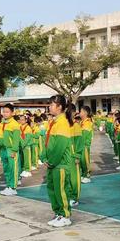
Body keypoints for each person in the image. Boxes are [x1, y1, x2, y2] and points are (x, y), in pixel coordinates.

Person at [45, 95, 73, 228]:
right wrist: (45, 157)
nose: (50, 107)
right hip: (53, 163)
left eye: (52, 105)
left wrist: (52, 161)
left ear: (59, 106)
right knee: (52, 189)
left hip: (60, 163)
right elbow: (49, 143)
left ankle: (65, 215)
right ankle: (58, 213)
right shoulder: (54, 122)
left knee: (61, 190)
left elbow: (60, 147)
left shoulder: (62, 123)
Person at [0, 104, 21, 196]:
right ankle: (8, 185)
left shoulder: (15, 124)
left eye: (7, 112)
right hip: (3, 149)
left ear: (12, 113)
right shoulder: (3, 123)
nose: (5, 114)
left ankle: (13, 187)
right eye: (4, 111)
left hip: (11, 150)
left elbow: (16, 140)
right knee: (6, 169)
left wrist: (14, 150)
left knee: (13, 169)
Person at [69, 109, 83, 207]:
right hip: (65, 156)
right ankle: (68, 195)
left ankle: (75, 198)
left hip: (73, 156)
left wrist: (77, 155)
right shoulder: (64, 125)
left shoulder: (76, 126)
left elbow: (79, 142)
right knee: (66, 178)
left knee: (74, 178)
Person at [80, 106, 94, 183]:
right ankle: (83, 174)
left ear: (85, 113)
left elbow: (84, 136)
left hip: (85, 145)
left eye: (81, 111)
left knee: (85, 160)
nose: (79, 113)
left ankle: (87, 175)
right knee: (82, 161)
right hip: (81, 145)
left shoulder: (87, 122)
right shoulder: (82, 122)